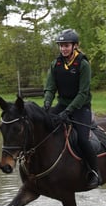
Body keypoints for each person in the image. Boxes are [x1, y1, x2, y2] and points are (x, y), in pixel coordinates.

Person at [42, 28, 101, 189]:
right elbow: (50, 88)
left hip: (81, 107)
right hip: (62, 104)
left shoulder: (83, 64)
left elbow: (83, 93)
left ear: (74, 46)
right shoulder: (56, 64)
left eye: (66, 45)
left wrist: (68, 112)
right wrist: (47, 103)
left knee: (82, 139)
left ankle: (95, 172)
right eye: (61, 46)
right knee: (42, 126)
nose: (63, 48)